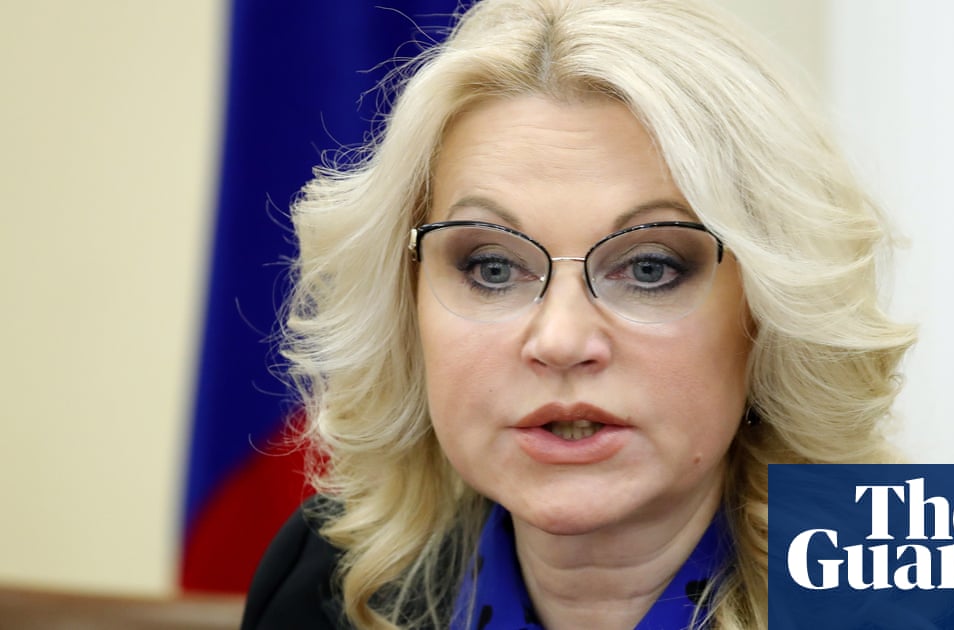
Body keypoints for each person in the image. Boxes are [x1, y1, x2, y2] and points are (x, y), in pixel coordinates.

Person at [241, 0, 915, 628]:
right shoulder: (323, 579)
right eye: (492, 267)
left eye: (649, 268)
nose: (561, 340)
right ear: (405, 299)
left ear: (770, 313)